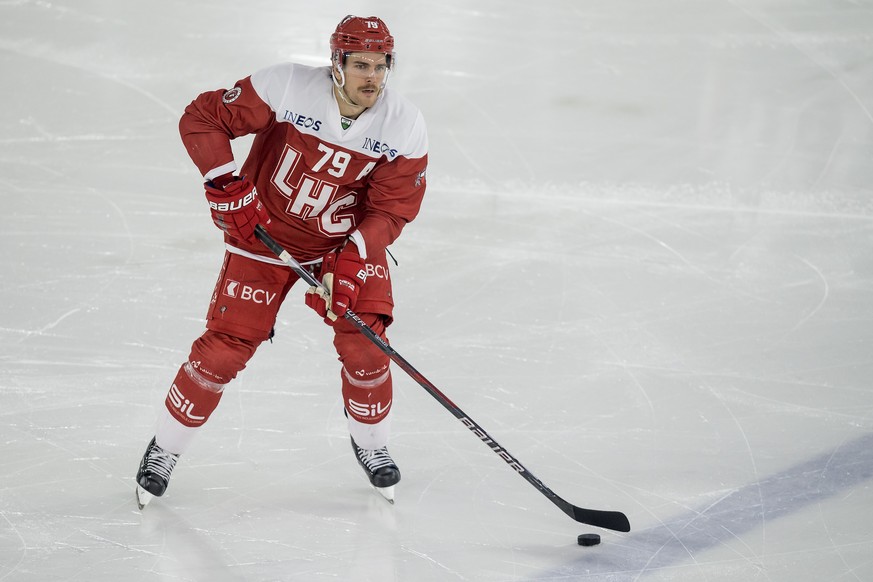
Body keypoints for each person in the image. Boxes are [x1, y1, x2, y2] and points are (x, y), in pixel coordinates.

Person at [134, 15, 428, 508]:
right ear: (336, 64)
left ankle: (373, 446)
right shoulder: (288, 85)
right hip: (263, 237)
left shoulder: (404, 123)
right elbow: (202, 118)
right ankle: (164, 448)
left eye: (381, 66)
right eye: (360, 65)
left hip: (342, 246)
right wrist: (225, 184)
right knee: (224, 349)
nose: (372, 78)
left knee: (368, 345)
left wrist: (353, 257)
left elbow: (393, 207)